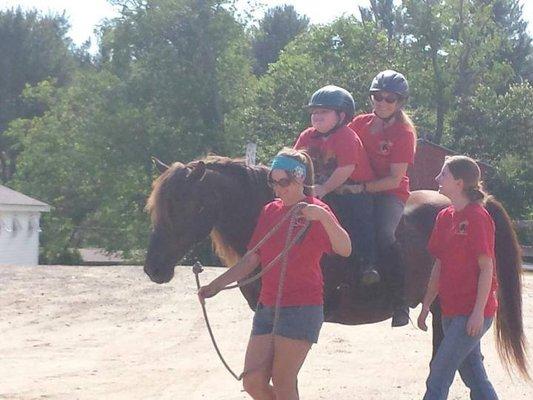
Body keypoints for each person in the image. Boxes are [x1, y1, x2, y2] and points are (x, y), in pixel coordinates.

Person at [198, 147, 351, 400]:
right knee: (252, 382)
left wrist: (324, 217)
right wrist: (216, 285)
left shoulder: (317, 211)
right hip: (268, 307)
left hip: (302, 308)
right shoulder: (270, 211)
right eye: (274, 182)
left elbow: (345, 249)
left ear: (301, 179)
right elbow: (252, 257)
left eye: (284, 182)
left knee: (283, 381)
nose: (278, 188)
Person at [418, 155, 509, 399]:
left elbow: (486, 267)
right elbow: (439, 264)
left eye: (443, 175)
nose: (437, 179)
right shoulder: (445, 216)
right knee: (474, 378)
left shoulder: (478, 217)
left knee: (438, 373)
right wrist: (426, 304)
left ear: (459, 183)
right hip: (450, 310)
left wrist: (479, 312)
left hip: (471, 313)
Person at [348, 70, 416, 326]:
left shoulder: (404, 133)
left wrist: (362, 188)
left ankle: (399, 300)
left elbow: (394, 179)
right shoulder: (358, 124)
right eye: (378, 96)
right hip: (356, 187)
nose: (383, 102)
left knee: (385, 234)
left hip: (390, 193)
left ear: (399, 103)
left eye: (390, 98)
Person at [294, 85, 379, 285]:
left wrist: (323, 189)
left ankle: (368, 263)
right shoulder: (308, 135)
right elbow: (297, 160)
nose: (317, 116)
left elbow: (345, 169)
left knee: (359, 217)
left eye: (324, 112)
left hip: (351, 188)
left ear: (341, 116)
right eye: (314, 112)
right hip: (319, 189)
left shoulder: (346, 137)